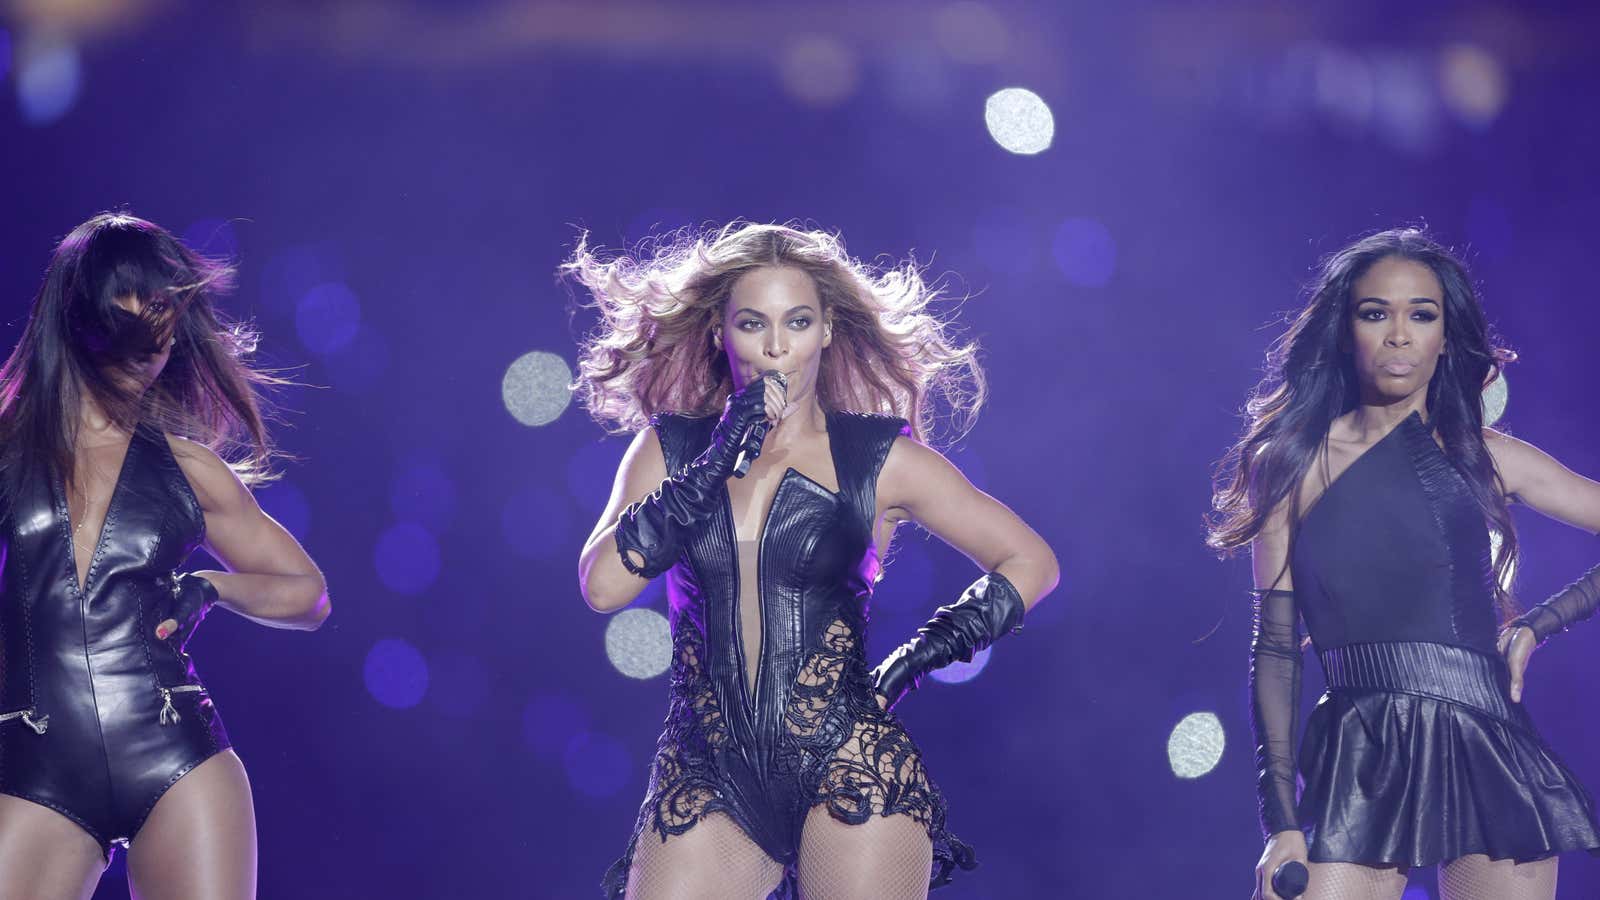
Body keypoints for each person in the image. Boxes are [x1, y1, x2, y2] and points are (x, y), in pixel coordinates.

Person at [569, 222, 1058, 899]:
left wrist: (913, 662)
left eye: (797, 322)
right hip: (706, 773)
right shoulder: (671, 452)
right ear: (720, 332)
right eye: (752, 323)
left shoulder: (879, 458)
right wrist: (715, 462)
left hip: (847, 761)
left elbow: (1030, 560)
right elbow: (602, 587)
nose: (776, 347)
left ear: (826, 330)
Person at [1208, 228, 1600, 900]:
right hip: (1358, 754)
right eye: (1374, 313)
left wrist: (1541, 624)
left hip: (1487, 750)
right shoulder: (1289, 465)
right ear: (1344, 331)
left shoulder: (1487, 455)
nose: (1398, 335)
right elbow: (1275, 649)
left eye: (1421, 315)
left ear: (1446, 338)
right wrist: (1280, 821)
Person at [0, 213, 331, 900]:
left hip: (178, 761)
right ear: (84, 310)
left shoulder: (190, 469)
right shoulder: (9, 448)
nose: (160, 335)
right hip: (34, 764)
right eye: (141, 306)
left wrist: (211, 587)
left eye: (170, 312)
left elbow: (309, 592)